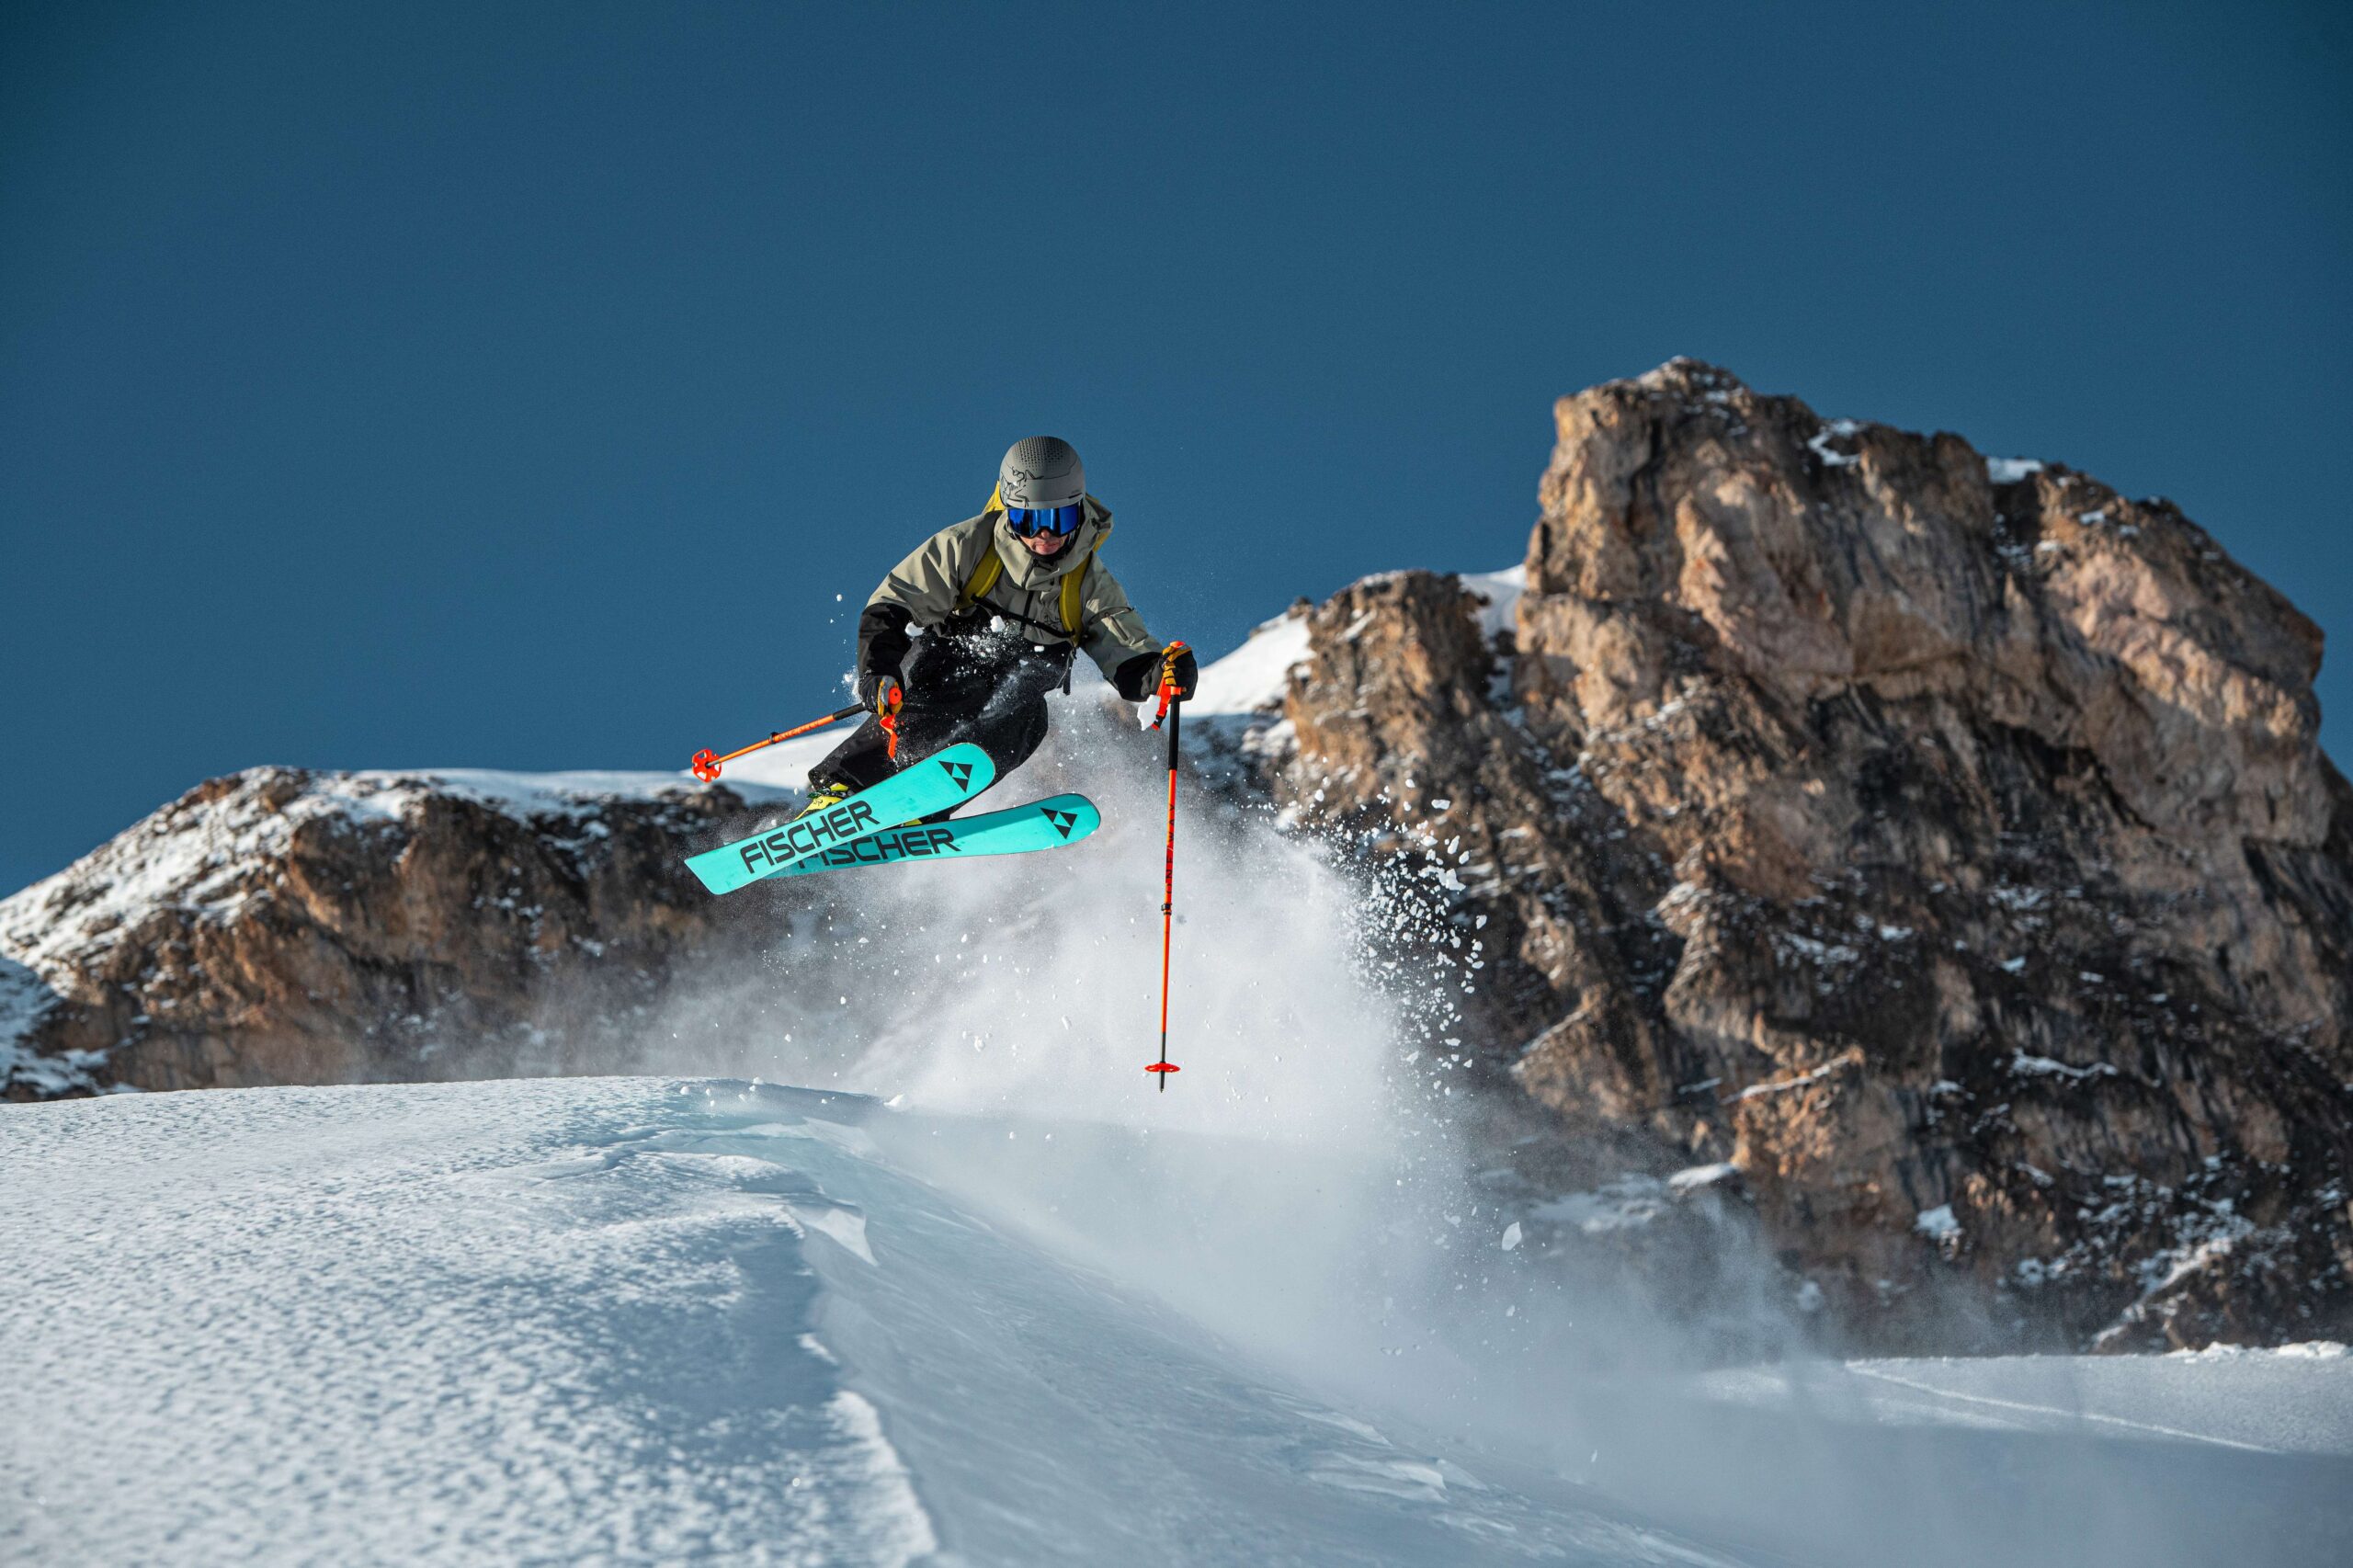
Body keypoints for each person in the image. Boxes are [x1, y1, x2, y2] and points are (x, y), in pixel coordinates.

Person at [800, 436, 1198, 817]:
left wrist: (1160, 674)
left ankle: (924, 806)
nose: (1045, 535)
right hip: (947, 664)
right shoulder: (969, 546)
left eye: (1059, 519)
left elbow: (1126, 651)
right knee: (952, 689)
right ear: (1010, 511)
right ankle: (842, 787)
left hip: (1021, 683)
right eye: (1030, 520)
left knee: (1029, 720)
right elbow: (895, 602)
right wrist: (878, 669)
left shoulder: (1089, 583)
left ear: (1079, 510)